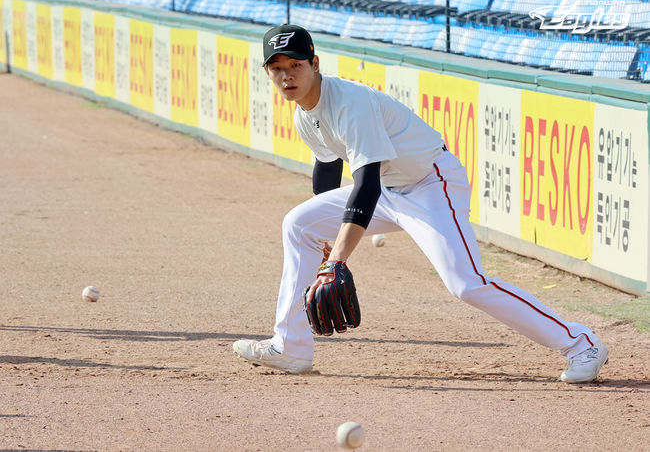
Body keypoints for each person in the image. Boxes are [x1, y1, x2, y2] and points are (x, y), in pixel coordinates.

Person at [233, 24, 608, 383]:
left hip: (430, 183)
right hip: (389, 189)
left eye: (295, 65)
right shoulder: (304, 114)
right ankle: (291, 346)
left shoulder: (350, 102)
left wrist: (336, 260)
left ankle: (581, 344)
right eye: (277, 68)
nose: (287, 76)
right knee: (299, 223)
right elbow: (327, 169)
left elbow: (364, 188)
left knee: (465, 283)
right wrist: (327, 238)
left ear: (315, 64)